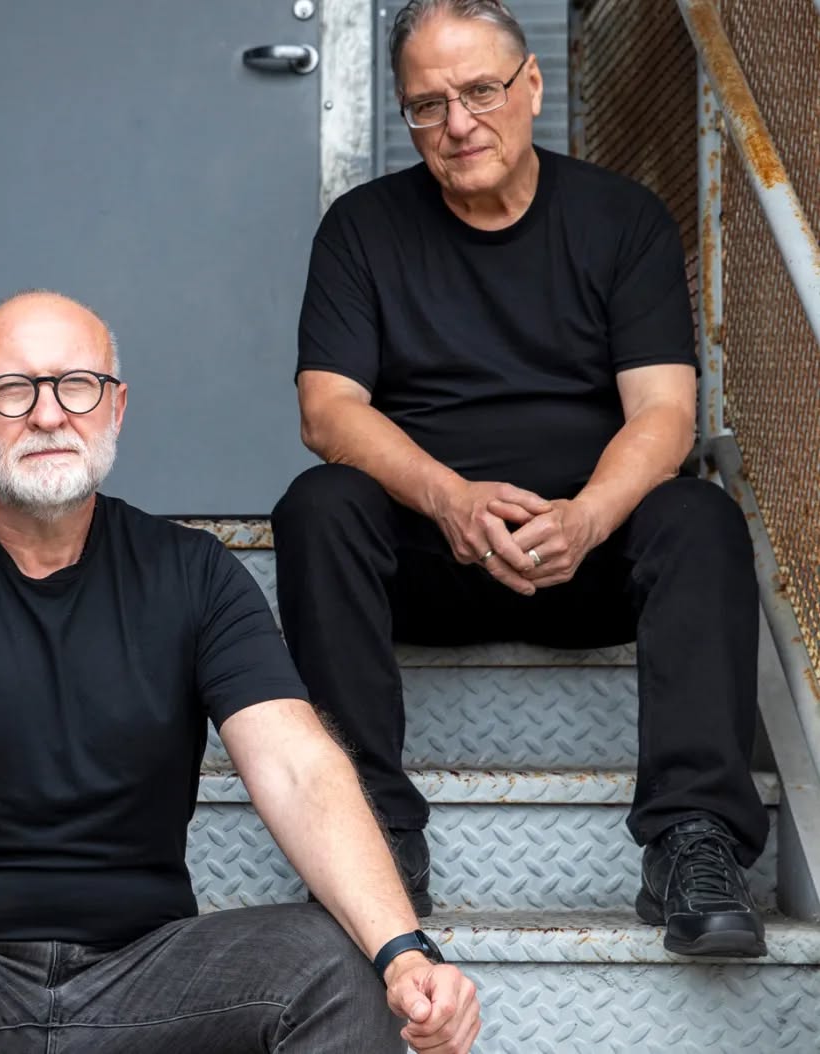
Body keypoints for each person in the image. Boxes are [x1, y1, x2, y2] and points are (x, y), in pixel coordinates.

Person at [0, 290, 481, 1053]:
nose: (48, 415)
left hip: (147, 982)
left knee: (337, 963)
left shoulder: (194, 573)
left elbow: (298, 767)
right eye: (13, 390)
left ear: (115, 407)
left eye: (76, 385)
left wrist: (404, 952)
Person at [272, 0, 768, 957]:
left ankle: (692, 839)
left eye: (479, 91)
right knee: (319, 506)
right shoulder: (362, 229)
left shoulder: (620, 219)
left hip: (585, 559)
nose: (456, 124)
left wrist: (586, 517)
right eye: (427, 105)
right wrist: (448, 498)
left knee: (699, 517)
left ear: (530, 85)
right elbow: (326, 410)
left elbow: (663, 413)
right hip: (429, 558)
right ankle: (368, 829)